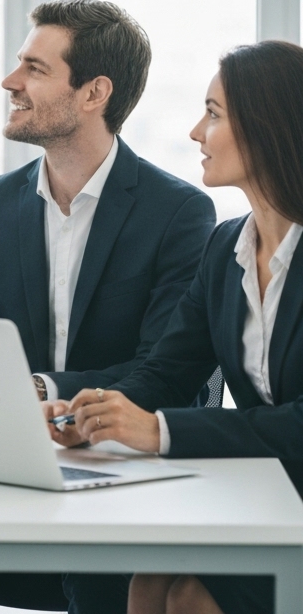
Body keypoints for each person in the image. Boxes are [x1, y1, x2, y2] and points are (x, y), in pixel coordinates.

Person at [0, 0, 217, 614]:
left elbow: (169, 372)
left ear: (94, 93)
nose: (11, 83)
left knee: (95, 570)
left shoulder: (179, 213)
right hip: (13, 464)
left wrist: (38, 388)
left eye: (34, 69)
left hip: (122, 471)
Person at [47, 40, 303, 614]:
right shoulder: (224, 248)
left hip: (290, 504)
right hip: (268, 495)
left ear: (267, 127)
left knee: (188, 595)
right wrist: (90, 413)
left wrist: (157, 431)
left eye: (213, 114)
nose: (195, 132)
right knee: (148, 580)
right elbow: (166, 370)